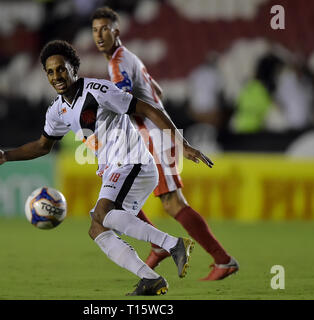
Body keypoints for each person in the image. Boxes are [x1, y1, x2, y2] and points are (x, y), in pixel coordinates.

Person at [0, 40, 213, 295]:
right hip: (116, 168)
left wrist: (182, 144)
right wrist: (5, 155)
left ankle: (174, 244)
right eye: (50, 71)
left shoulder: (98, 90)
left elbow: (147, 108)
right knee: (97, 227)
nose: (57, 76)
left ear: (74, 69)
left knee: (101, 215)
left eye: (62, 69)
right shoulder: (57, 110)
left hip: (133, 162)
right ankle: (150, 278)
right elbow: (43, 146)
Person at [91, 7, 239, 281]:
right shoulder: (129, 58)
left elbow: (122, 99)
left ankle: (223, 260)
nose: (99, 35)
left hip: (155, 137)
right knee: (121, 196)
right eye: (95, 29)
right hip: (146, 138)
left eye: (104, 29)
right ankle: (160, 246)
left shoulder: (117, 62)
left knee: (171, 202)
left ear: (117, 31)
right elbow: (156, 89)